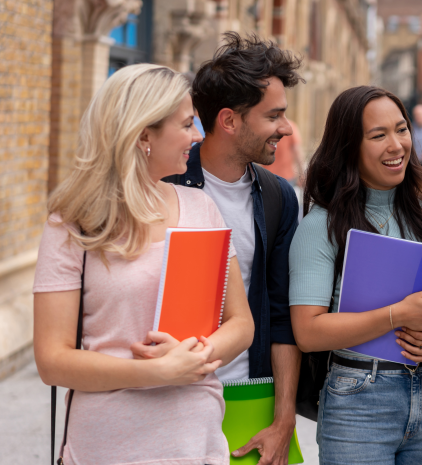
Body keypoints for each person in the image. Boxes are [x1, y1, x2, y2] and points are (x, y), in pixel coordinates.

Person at [33, 64, 255, 464]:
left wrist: (196, 354)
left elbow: (241, 324)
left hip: (195, 440)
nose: (198, 136)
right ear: (142, 135)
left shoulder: (200, 209)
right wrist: (156, 373)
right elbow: (52, 360)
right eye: (187, 124)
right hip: (107, 446)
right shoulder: (73, 224)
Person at [289, 86, 422, 464]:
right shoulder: (321, 227)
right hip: (359, 399)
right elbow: (308, 332)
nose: (397, 145)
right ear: (349, 146)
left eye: (401, 129)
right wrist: (396, 316)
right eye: (378, 135)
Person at [162, 32, 303, 465]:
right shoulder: (162, 185)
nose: (285, 127)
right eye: (274, 115)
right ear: (229, 121)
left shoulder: (280, 197)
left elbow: (282, 315)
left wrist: (283, 421)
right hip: (164, 394)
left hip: (248, 397)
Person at [267, 119, 304, 186]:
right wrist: (302, 174)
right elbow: (297, 152)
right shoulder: (290, 126)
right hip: (286, 176)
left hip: (267, 175)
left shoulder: (267, 127)